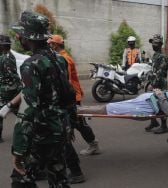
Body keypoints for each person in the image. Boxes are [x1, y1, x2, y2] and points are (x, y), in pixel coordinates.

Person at [10, 11, 70, 187]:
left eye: (19, 33)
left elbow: (28, 110)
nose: (17, 36)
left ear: (26, 37)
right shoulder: (59, 59)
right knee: (58, 178)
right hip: (60, 130)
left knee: (21, 178)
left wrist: (18, 149)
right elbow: (67, 94)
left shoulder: (31, 65)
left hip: (41, 134)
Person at [47, 34, 101, 156]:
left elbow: (67, 81)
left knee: (77, 123)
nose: (49, 45)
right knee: (77, 123)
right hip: (73, 96)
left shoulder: (64, 59)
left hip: (71, 97)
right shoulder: (62, 57)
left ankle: (93, 145)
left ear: (55, 45)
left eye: (50, 44)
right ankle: (93, 144)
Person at [78, 89, 168, 118]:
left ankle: (77, 110)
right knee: (109, 106)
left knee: (109, 109)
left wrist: (160, 95)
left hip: (143, 107)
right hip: (144, 100)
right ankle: (79, 108)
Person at [145, 34, 168, 134]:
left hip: (160, 84)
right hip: (154, 82)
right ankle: (154, 121)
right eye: (153, 43)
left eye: (155, 43)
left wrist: (153, 84)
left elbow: (160, 73)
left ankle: (164, 126)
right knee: (151, 102)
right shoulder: (155, 55)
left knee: (161, 104)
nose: (153, 45)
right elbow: (154, 70)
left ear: (160, 44)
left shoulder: (163, 57)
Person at [0, 35, 22, 143]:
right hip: (8, 90)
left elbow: (12, 76)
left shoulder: (6, 58)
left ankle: (34, 130)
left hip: (8, 90)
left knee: (18, 111)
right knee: (16, 111)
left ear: (2, 45)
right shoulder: (6, 56)